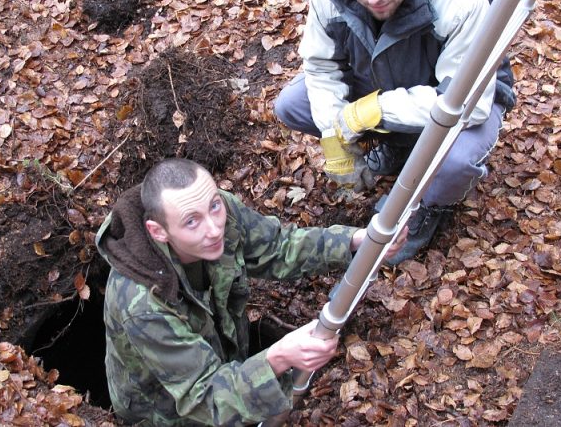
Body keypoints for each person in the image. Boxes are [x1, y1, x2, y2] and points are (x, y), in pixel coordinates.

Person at [274, 0, 516, 264]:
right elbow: (322, 66)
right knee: (291, 103)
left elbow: (469, 101)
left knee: (457, 160)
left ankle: (430, 203)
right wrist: (333, 135)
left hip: (458, 97)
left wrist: (372, 111)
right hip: (380, 81)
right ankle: (397, 147)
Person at [95, 158, 405, 425]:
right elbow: (202, 397)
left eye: (214, 206)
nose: (214, 228)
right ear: (158, 231)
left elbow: (276, 247)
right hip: (163, 409)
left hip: (221, 356)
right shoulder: (141, 303)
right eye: (192, 222)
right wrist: (276, 359)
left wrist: (354, 241)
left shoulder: (216, 209)